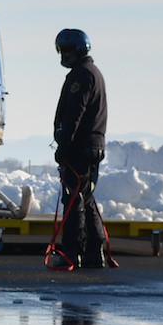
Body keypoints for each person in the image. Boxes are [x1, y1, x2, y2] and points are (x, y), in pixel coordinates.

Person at [51, 28, 109, 269]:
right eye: (61, 51)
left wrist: (64, 146)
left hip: (79, 148)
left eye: (67, 50)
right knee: (85, 200)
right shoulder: (92, 72)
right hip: (92, 147)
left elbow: (75, 113)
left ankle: (72, 253)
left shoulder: (82, 75)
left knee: (73, 202)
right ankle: (96, 253)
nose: (63, 55)